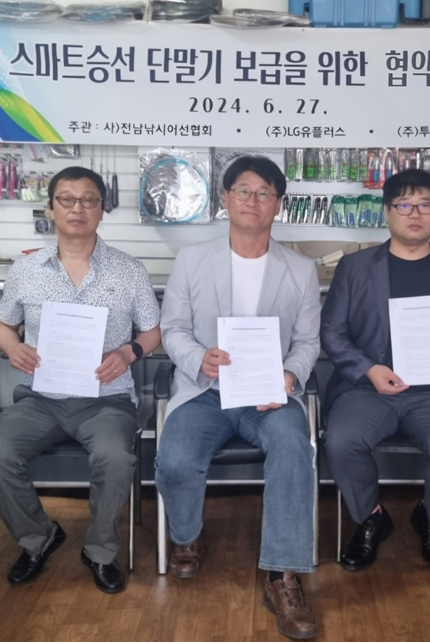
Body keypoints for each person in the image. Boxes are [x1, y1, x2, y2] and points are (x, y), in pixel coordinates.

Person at [157, 156, 320, 640]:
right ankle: (186, 536)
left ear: (279, 204)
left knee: (293, 448)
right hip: (205, 390)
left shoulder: (300, 269)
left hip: (269, 395)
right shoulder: (192, 260)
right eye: (243, 191)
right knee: (175, 458)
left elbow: (308, 342)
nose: (253, 200)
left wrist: (289, 376)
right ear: (225, 198)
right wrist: (198, 358)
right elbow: (172, 329)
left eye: (264, 192)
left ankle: (282, 575)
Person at [0, 166, 161, 594]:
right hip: (41, 398)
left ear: (102, 209)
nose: (77, 208)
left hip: (106, 400)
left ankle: (99, 551)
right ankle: (39, 537)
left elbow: (153, 331)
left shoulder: (129, 270)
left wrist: (128, 352)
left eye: (89, 200)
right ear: (50, 207)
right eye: (67, 199)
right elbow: (2, 323)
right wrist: (12, 346)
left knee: (115, 459)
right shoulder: (26, 269)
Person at [321, 169, 430, 572]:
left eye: (425, 205)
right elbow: (332, 332)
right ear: (387, 211)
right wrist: (368, 369)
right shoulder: (355, 267)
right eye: (405, 205)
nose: (415, 213)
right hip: (368, 389)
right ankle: (370, 518)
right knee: (341, 441)